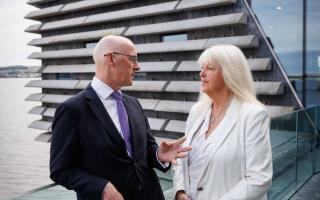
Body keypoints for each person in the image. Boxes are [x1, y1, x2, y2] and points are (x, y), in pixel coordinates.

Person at [50, 35, 191, 200]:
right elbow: (60, 169)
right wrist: (101, 188)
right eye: (132, 59)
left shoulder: (134, 104)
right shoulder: (72, 110)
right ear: (111, 58)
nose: (137, 66)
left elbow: (146, 150)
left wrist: (159, 155)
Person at [172, 45, 273, 200]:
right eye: (202, 68)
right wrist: (179, 191)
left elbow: (259, 179)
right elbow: (181, 157)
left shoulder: (253, 115)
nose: (202, 73)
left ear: (230, 74)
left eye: (210, 68)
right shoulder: (197, 112)